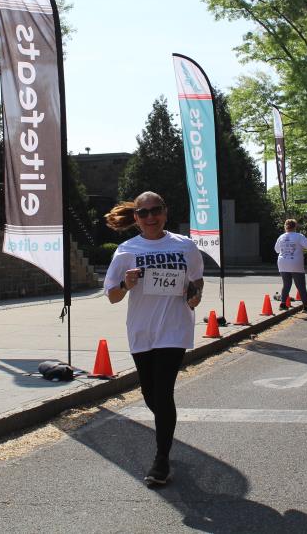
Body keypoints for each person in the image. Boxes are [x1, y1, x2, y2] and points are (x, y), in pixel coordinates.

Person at [104, 191, 204, 487]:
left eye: (156, 210)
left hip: (174, 329)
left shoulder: (185, 246)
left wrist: (194, 295)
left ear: (165, 212)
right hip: (142, 330)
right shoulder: (126, 250)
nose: (151, 217)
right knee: (150, 394)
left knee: (163, 392)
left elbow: (196, 280)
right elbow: (112, 296)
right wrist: (126, 284)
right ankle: (166, 430)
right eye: (144, 213)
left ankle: (161, 460)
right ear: (136, 218)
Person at [275, 218, 307, 309]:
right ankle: (305, 307)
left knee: (286, 284)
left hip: (283, 262)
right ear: (295, 226)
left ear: (285, 227)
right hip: (295, 263)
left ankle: (283, 304)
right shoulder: (299, 236)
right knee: (300, 286)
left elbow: (276, 250)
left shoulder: (281, 237)